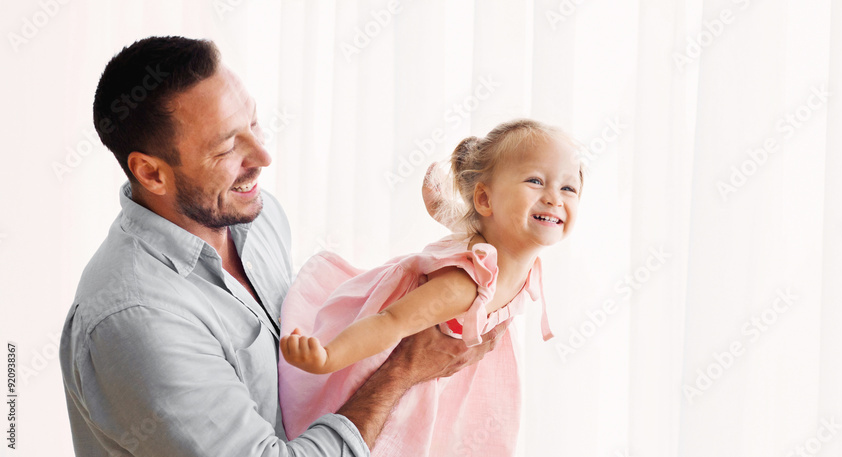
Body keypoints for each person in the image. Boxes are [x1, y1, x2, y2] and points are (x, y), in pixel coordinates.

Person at [58, 35, 508, 456]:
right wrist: (401, 372)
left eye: (252, 122)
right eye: (227, 148)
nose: (262, 157)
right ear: (152, 174)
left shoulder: (257, 217)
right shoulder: (137, 320)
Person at [278, 119, 583, 456]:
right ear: (484, 199)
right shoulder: (463, 286)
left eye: (569, 188)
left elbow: (464, 222)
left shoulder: (504, 242)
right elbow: (391, 322)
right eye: (536, 181)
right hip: (382, 352)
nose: (555, 198)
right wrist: (326, 357)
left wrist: (438, 204)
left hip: (449, 375)